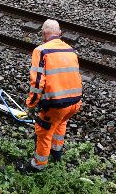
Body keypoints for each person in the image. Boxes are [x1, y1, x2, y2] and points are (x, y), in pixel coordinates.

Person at [17, 19, 83, 173]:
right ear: (59, 34)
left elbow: (38, 83)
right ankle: (56, 153)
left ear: (44, 33)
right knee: (60, 124)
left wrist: (31, 105)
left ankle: (37, 166)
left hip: (56, 105)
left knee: (43, 131)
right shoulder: (70, 50)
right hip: (74, 103)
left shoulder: (41, 51)